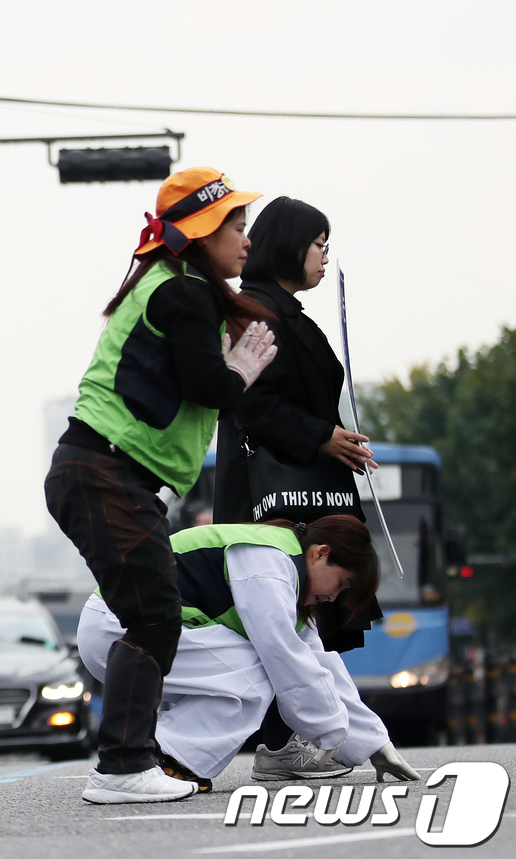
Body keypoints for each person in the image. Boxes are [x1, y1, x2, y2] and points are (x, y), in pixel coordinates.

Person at [43, 167, 278, 804]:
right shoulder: (184, 292)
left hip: (101, 474)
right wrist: (241, 371)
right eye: (236, 225)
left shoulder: (175, 285)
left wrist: (230, 369)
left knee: (151, 616)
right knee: (153, 619)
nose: (246, 240)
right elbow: (209, 387)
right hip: (106, 472)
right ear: (202, 232)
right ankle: (122, 769)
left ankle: (136, 758)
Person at [212, 197, 386, 777]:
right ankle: (283, 744)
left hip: (304, 489)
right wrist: (321, 437)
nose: (324, 257)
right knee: (288, 612)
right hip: (276, 496)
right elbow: (252, 403)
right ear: (291, 244)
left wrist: (331, 440)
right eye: (319, 244)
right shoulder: (258, 311)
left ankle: (291, 739)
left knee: (305, 611)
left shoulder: (280, 309)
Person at [76, 517, 421, 792]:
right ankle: (164, 756)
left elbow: (319, 665)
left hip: (129, 632)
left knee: (259, 669)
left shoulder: (286, 573)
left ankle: (164, 756)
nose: (333, 598)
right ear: (321, 553)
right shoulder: (268, 560)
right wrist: (331, 729)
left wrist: (376, 743)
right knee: (260, 668)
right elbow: (283, 657)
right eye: (341, 584)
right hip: (116, 627)